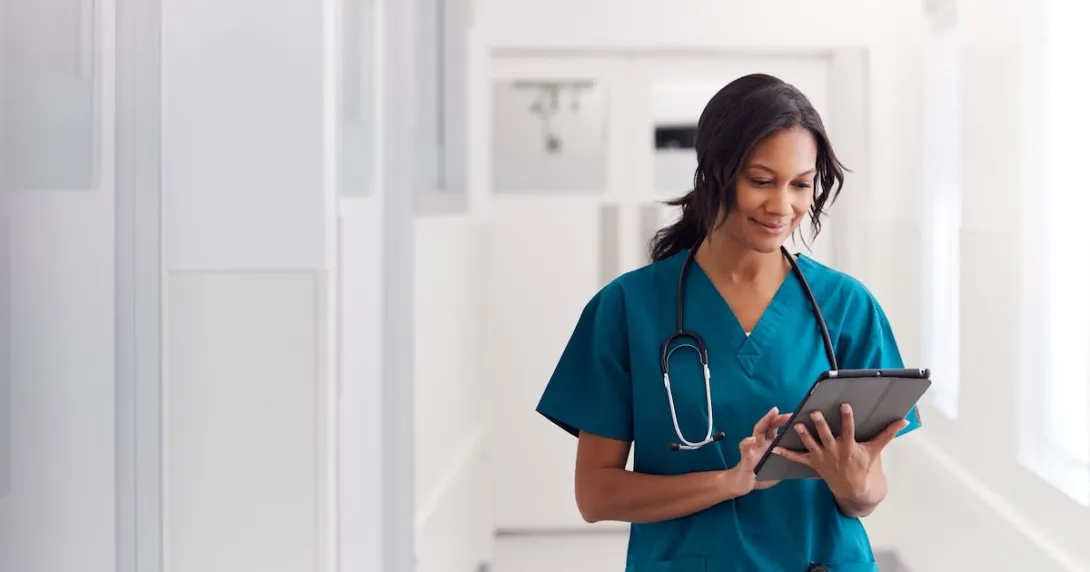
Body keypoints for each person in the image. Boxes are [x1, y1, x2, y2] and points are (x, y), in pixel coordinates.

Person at [535, 73, 921, 572]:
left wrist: (854, 482)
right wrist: (729, 481)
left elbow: (867, 495)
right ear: (716, 171)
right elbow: (595, 495)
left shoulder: (846, 308)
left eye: (801, 185)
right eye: (761, 181)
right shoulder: (627, 308)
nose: (782, 206)